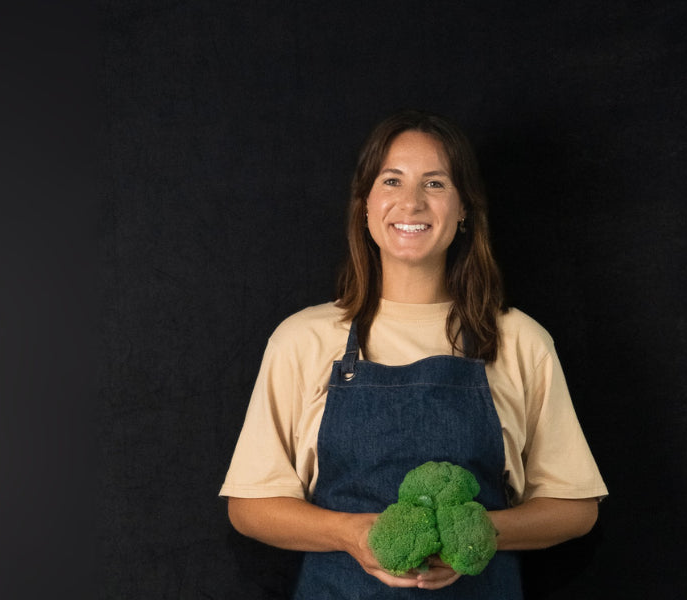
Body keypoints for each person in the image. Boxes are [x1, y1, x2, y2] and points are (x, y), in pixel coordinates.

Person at [220, 109, 608, 599]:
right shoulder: (302, 339)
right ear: (365, 204)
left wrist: (473, 536)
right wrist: (352, 535)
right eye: (392, 181)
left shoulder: (518, 340)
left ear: (465, 206)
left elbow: (575, 507)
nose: (411, 202)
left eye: (436, 184)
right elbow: (250, 506)